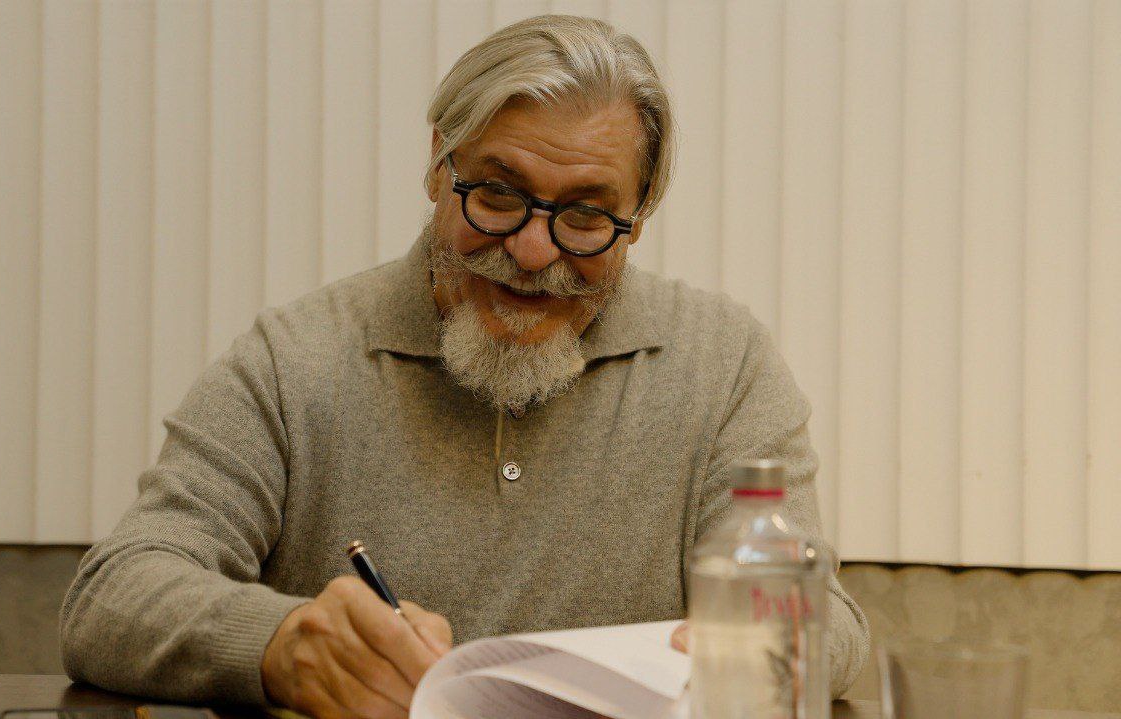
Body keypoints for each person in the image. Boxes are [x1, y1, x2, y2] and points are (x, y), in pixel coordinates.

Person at [60, 14, 870, 719]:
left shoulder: (725, 365)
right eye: (498, 195)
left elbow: (829, 626)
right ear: (436, 164)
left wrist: (759, 645)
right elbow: (113, 594)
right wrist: (281, 643)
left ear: (640, 213)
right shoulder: (294, 361)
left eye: (585, 215)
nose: (533, 250)